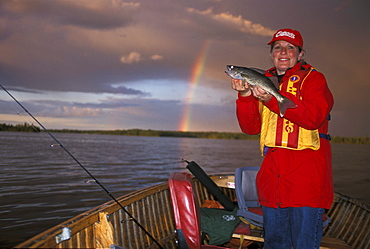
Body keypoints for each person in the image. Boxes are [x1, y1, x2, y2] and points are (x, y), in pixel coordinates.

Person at [230, 28, 334, 249]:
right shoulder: (261, 80)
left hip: (306, 182)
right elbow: (250, 128)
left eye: (290, 47)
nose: (283, 52)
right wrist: (245, 95)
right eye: (277, 47)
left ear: (300, 54)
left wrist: (271, 99)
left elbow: (313, 117)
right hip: (271, 181)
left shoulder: (315, 79)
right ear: (271, 54)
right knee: (275, 244)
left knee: (303, 245)